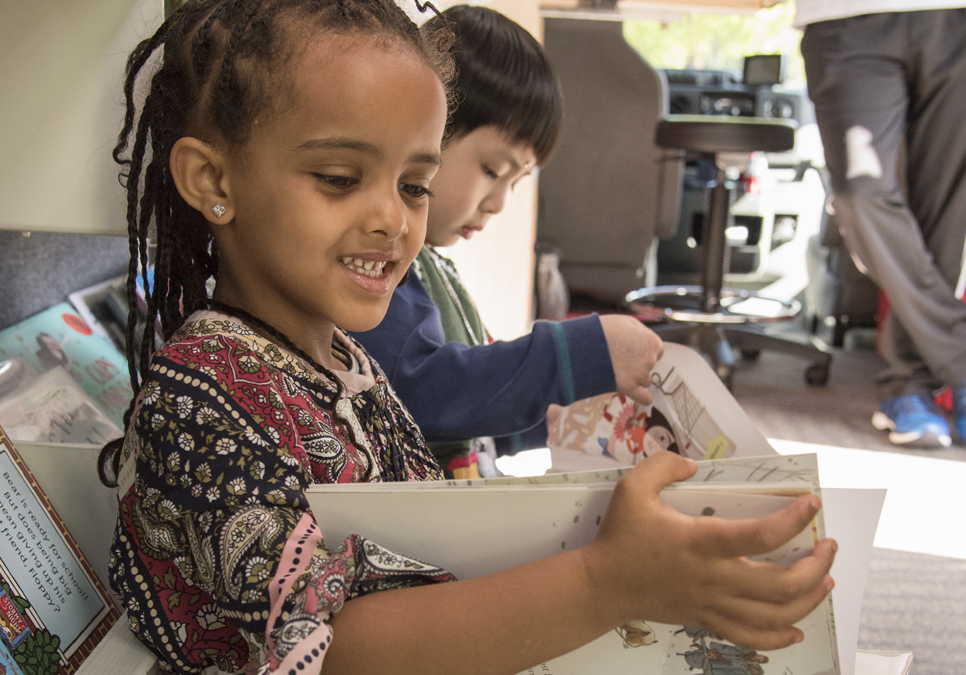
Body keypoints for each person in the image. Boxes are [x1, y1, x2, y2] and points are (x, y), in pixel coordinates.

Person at [100, 1, 837, 673]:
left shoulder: (341, 361)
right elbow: (331, 647)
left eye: (414, 184)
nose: (393, 217)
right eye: (338, 176)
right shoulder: (200, 401)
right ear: (211, 180)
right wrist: (605, 582)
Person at [352, 5, 663, 478]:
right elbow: (421, 393)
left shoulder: (436, 270)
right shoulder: (379, 265)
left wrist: (549, 419)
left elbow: (471, 409)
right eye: (493, 170)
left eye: (516, 181)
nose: (499, 202)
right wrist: (574, 353)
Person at [796, 1, 966, 447]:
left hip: (955, 16)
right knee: (861, 193)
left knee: (945, 213)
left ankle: (909, 387)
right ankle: (959, 359)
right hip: (848, 16)